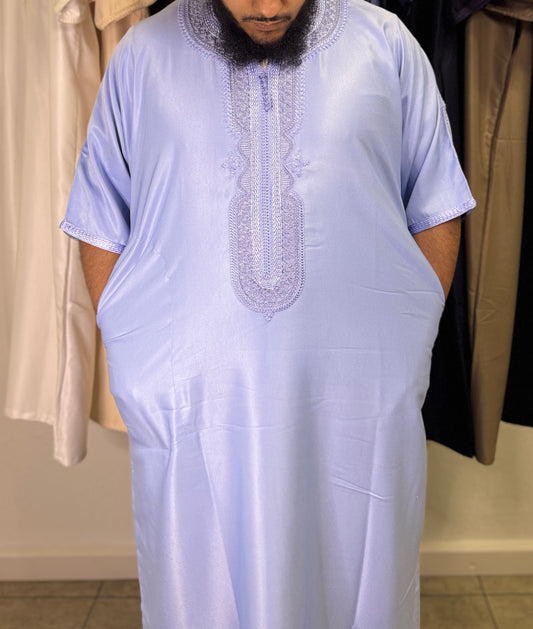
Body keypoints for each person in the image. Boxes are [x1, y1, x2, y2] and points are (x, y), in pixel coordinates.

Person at [61, 0, 475, 626]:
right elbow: (99, 216)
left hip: (356, 402)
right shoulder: (143, 57)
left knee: (358, 577)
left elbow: (437, 200)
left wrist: (409, 341)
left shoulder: (384, 43)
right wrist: (132, 349)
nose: (269, 8)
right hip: (193, 402)